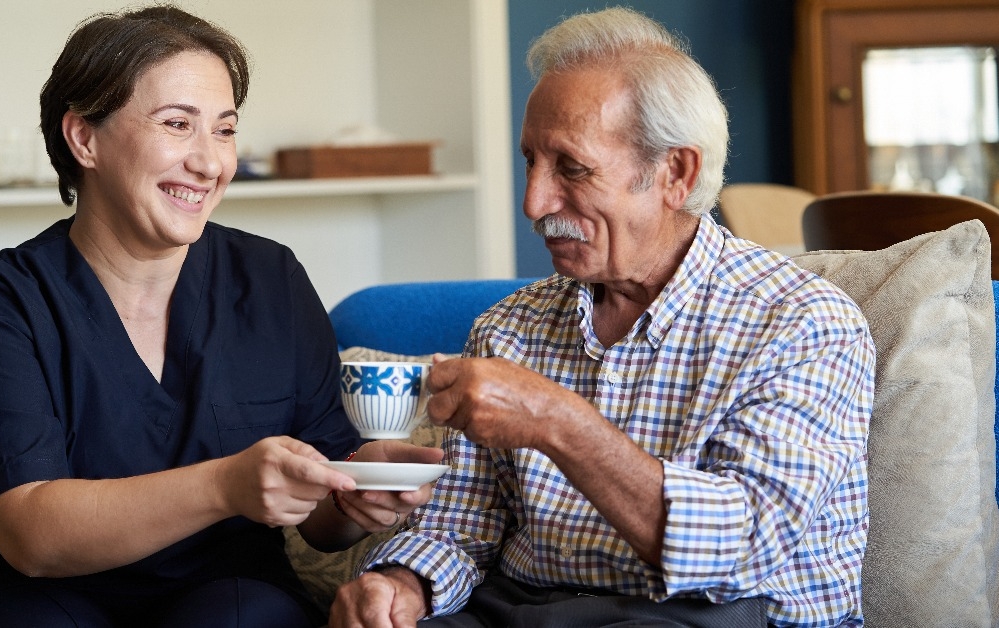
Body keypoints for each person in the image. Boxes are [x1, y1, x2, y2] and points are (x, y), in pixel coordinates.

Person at [330, 7, 873, 628]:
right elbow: (459, 525)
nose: (534, 202)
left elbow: (742, 548)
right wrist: (402, 585)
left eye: (572, 167)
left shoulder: (802, 322)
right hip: (523, 609)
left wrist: (558, 422)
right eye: (529, 161)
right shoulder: (509, 328)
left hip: (708, 614)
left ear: (675, 172)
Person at [0, 6, 441, 627]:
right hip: (36, 596)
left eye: (224, 130)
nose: (210, 163)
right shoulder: (1, 302)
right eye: (177, 124)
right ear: (83, 137)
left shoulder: (271, 280)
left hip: (226, 594)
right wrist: (226, 485)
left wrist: (357, 497)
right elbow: (31, 537)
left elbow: (321, 521)